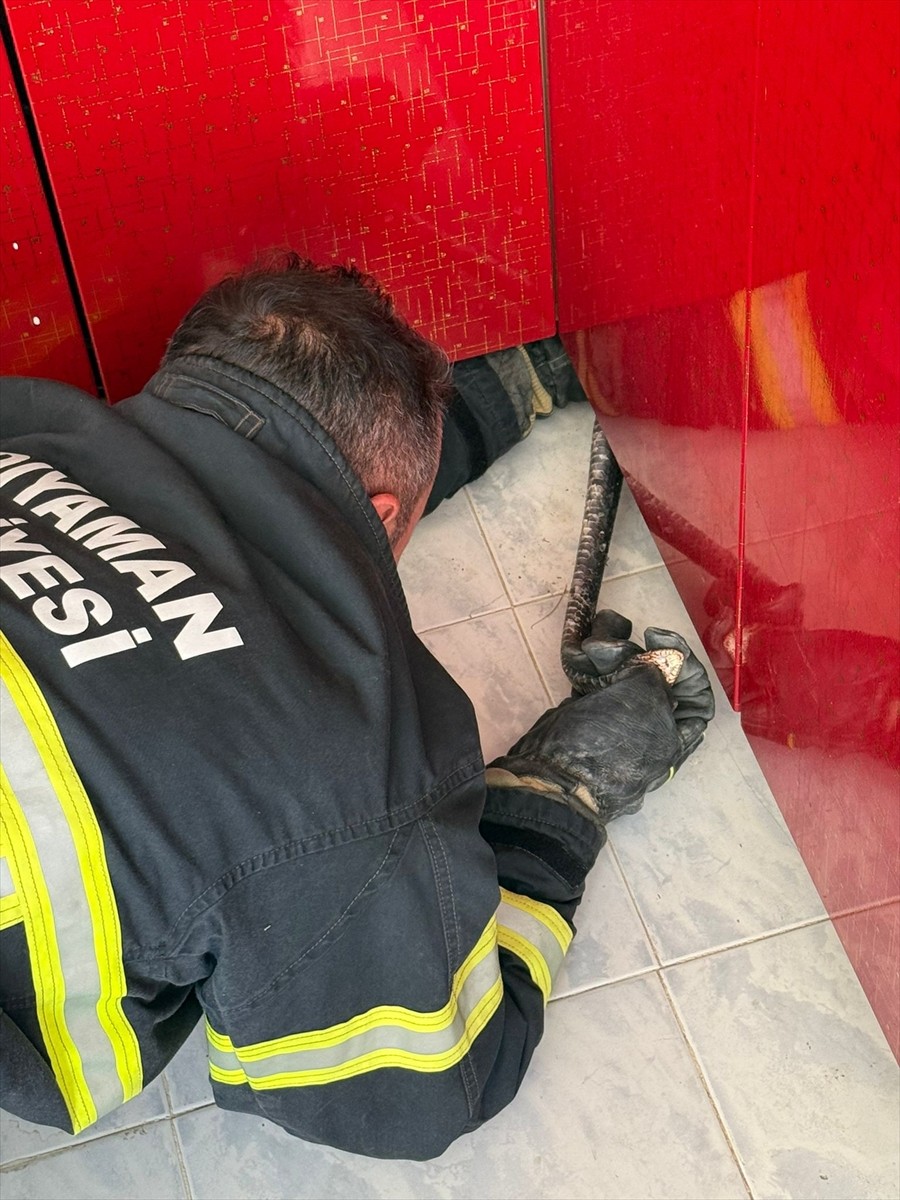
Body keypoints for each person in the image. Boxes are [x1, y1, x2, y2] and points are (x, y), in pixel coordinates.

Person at [0, 257, 714, 1160]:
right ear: (385, 514)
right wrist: (560, 791)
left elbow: (257, 489)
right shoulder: (338, 782)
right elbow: (429, 1084)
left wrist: (503, 395)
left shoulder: (27, 420)